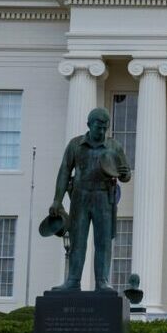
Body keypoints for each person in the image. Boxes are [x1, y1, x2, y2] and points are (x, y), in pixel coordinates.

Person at [49, 107, 131, 291]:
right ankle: (73, 280)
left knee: (103, 242)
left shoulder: (114, 146)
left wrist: (125, 174)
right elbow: (64, 171)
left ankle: (102, 281)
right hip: (80, 196)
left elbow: (124, 173)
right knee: (78, 240)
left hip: (104, 197)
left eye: (104, 128)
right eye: (98, 127)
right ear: (89, 125)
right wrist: (57, 199)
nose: (101, 132)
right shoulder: (75, 145)